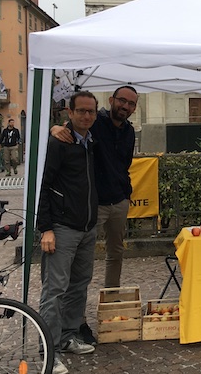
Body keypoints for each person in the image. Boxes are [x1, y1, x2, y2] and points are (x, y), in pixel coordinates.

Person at [37, 91, 99, 374]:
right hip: (62, 228)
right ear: (69, 113)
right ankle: (48, 351)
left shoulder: (91, 142)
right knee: (55, 290)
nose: (86, 116)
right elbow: (44, 186)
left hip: (87, 227)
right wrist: (46, 228)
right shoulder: (59, 142)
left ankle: (68, 336)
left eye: (91, 111)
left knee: (79, 286)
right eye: (81, 111)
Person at [52, 86, 137, 288]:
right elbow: (69, 129)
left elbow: (125, 165)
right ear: (111, 100)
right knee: (83, 255)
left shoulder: (130, 131)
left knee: (116, 253)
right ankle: (77, 311)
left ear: (134, 108)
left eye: (131, 103)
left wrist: (126, 194)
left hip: (119, 201)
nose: (125, 106)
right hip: (94, 203)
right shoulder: (95, 122)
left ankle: (111, 297)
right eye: (122, 100)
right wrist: (55, 129)